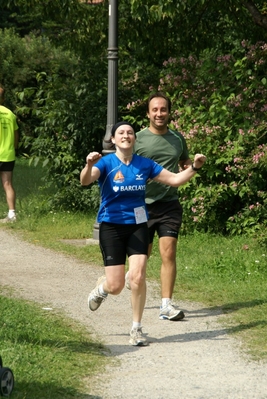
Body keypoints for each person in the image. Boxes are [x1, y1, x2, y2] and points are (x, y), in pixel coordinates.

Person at [80, 121, 206, 346]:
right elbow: (86, 180)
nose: (126, 135)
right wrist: (89, 165)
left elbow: (175, 180)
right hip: (111, 226)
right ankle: (101, 290)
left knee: (138, 276)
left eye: (130, 132)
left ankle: (136, 328)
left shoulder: (144, 165)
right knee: (116, 285)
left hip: (138, 225)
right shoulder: (106, 163)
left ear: (134, 139)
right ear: (114, 139)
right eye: (121, 133)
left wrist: (194, 168)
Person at [134, 91, 194, 321]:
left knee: (168, 253)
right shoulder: (137, 138)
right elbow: (125, 164)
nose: (159, 113)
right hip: (142, 206)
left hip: (169, 204)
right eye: (155, 110)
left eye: (163, 109)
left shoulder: (177, 138)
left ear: (169, 112)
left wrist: (190, 166)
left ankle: (166, 305)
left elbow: (184, 162)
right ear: (148, 113)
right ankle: (129, 277)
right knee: (143, 256)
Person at [0, 85, 19, 223]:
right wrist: (14, 147)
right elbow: (16, 135)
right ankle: (12, 214)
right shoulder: (10, 114)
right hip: (7, 154)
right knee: (7, 184)